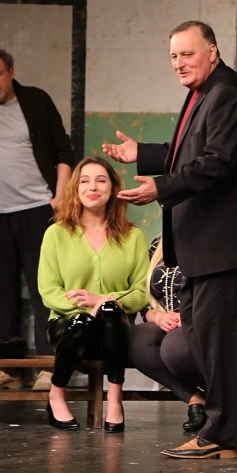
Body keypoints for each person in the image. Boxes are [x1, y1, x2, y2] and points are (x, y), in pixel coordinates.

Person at [104, 20, 237, 459]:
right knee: (202, 337)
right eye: (173, 56)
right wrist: (144, 155)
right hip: (204, 241)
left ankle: (222, 433)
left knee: (214, 338)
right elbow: (192, 152)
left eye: (187, 54)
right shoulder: (204, 92)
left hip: (224, 240)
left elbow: (216, 163)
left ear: (212, 52)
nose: (179, 63)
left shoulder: (227, 94)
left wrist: (160, 187)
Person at [0, 48, 75, 391]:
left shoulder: (36, 101)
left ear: (11, 72)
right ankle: (6, 369)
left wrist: (60, 195)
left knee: (44, 288)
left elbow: (63, 151)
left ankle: (47, 367)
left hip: (38, 207)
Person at [37, 156, 149, 431]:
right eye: (84, 181)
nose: (93, 187)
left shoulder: (133, 236)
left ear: (112, 189)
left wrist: (103, 300)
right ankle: (56, 394)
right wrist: (87, 308)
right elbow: (48, 291)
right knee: (83, 322)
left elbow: (142, 292)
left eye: (101, 181)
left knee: (109, 310)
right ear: (75, 189)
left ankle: (115, 400)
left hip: (115, 331)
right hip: (69, 330)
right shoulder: (56, 234)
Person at [130, 238, 207, 432]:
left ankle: (222, 398)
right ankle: (194, 399)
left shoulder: (208, 239)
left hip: (201, 322)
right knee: (137, 340)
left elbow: (219, 296)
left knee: (174, 348)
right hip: (165, 319)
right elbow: (146, 301)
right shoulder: (157, 244)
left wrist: (188, 317)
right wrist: (158, 317)